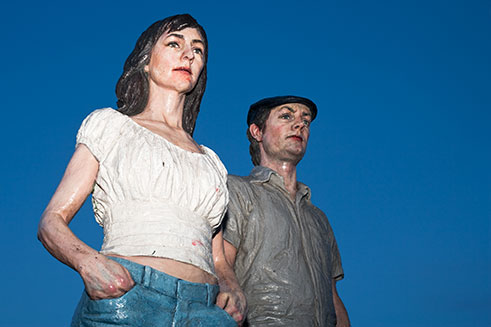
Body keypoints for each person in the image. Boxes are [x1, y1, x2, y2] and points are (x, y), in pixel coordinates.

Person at [38, 14, 245, 326]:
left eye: (198, 50)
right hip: (127, 297)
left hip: (205, 310)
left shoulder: (211, 160)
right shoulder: (112, 127)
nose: (188, 54)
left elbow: (218, 256)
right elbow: (51, 222)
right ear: (146, 61)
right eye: (174, 43)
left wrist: (231, 285)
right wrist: (88, 262)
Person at [223, 96, 350, 326]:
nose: (300, 124)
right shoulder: (236, 191)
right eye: (286, 116)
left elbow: (333, 296)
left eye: (306, 120)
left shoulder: (319, 219)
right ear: (257, 132)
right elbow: (220, 267)